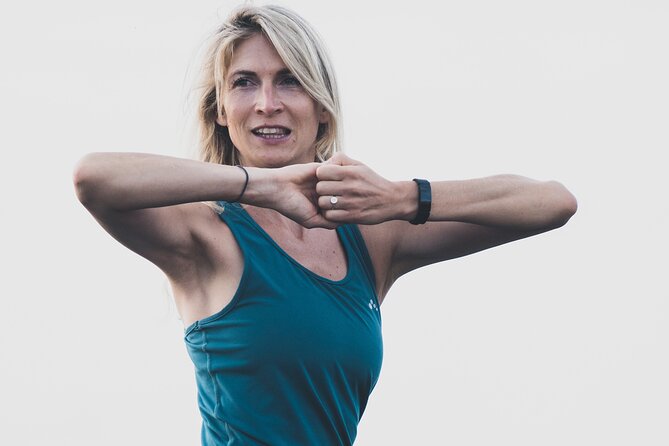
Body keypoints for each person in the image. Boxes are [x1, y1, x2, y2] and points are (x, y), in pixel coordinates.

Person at [73, 4, 577, 445]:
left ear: (321, 108)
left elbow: (551, 202)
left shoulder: (371, 238)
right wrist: (256, 185)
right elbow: (94, 177)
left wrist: (404, 196)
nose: (267, 103)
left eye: (289, 79)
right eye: (244, 82)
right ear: (222, 110)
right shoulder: (207, 236)